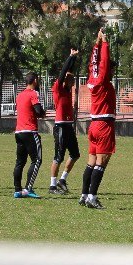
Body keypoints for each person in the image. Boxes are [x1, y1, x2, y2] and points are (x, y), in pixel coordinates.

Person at [82, 28, 115, 209]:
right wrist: (105, 43)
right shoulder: (102, 81)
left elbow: (94, 63)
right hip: (103, 124)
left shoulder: (92, 79)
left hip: (93, 124)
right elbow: (102, 64)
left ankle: (84, 194)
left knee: (91, 161)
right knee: (101, 162)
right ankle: (92, 197)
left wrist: (97, 42)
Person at [50, 48, 81, 194]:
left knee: (75, 155)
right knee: (58, 157)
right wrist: (71, 57)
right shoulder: (59, 89)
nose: (73, 80)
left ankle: (62, 180)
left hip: (69, 127)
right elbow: (63, 72)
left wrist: (74, 58)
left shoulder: (68, 91)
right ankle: (52, 186)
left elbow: (68, 72)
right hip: (61, 126)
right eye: (71, 78)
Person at [13, 72, 46, 199]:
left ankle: (17, 190)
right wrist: (42, 113)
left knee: (20, 161)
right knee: (37, 160)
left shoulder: (20, 95)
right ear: (35, 80)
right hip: (30, 131)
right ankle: (28, 188)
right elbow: (38, 110)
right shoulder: (33, 93)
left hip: (19, 132)